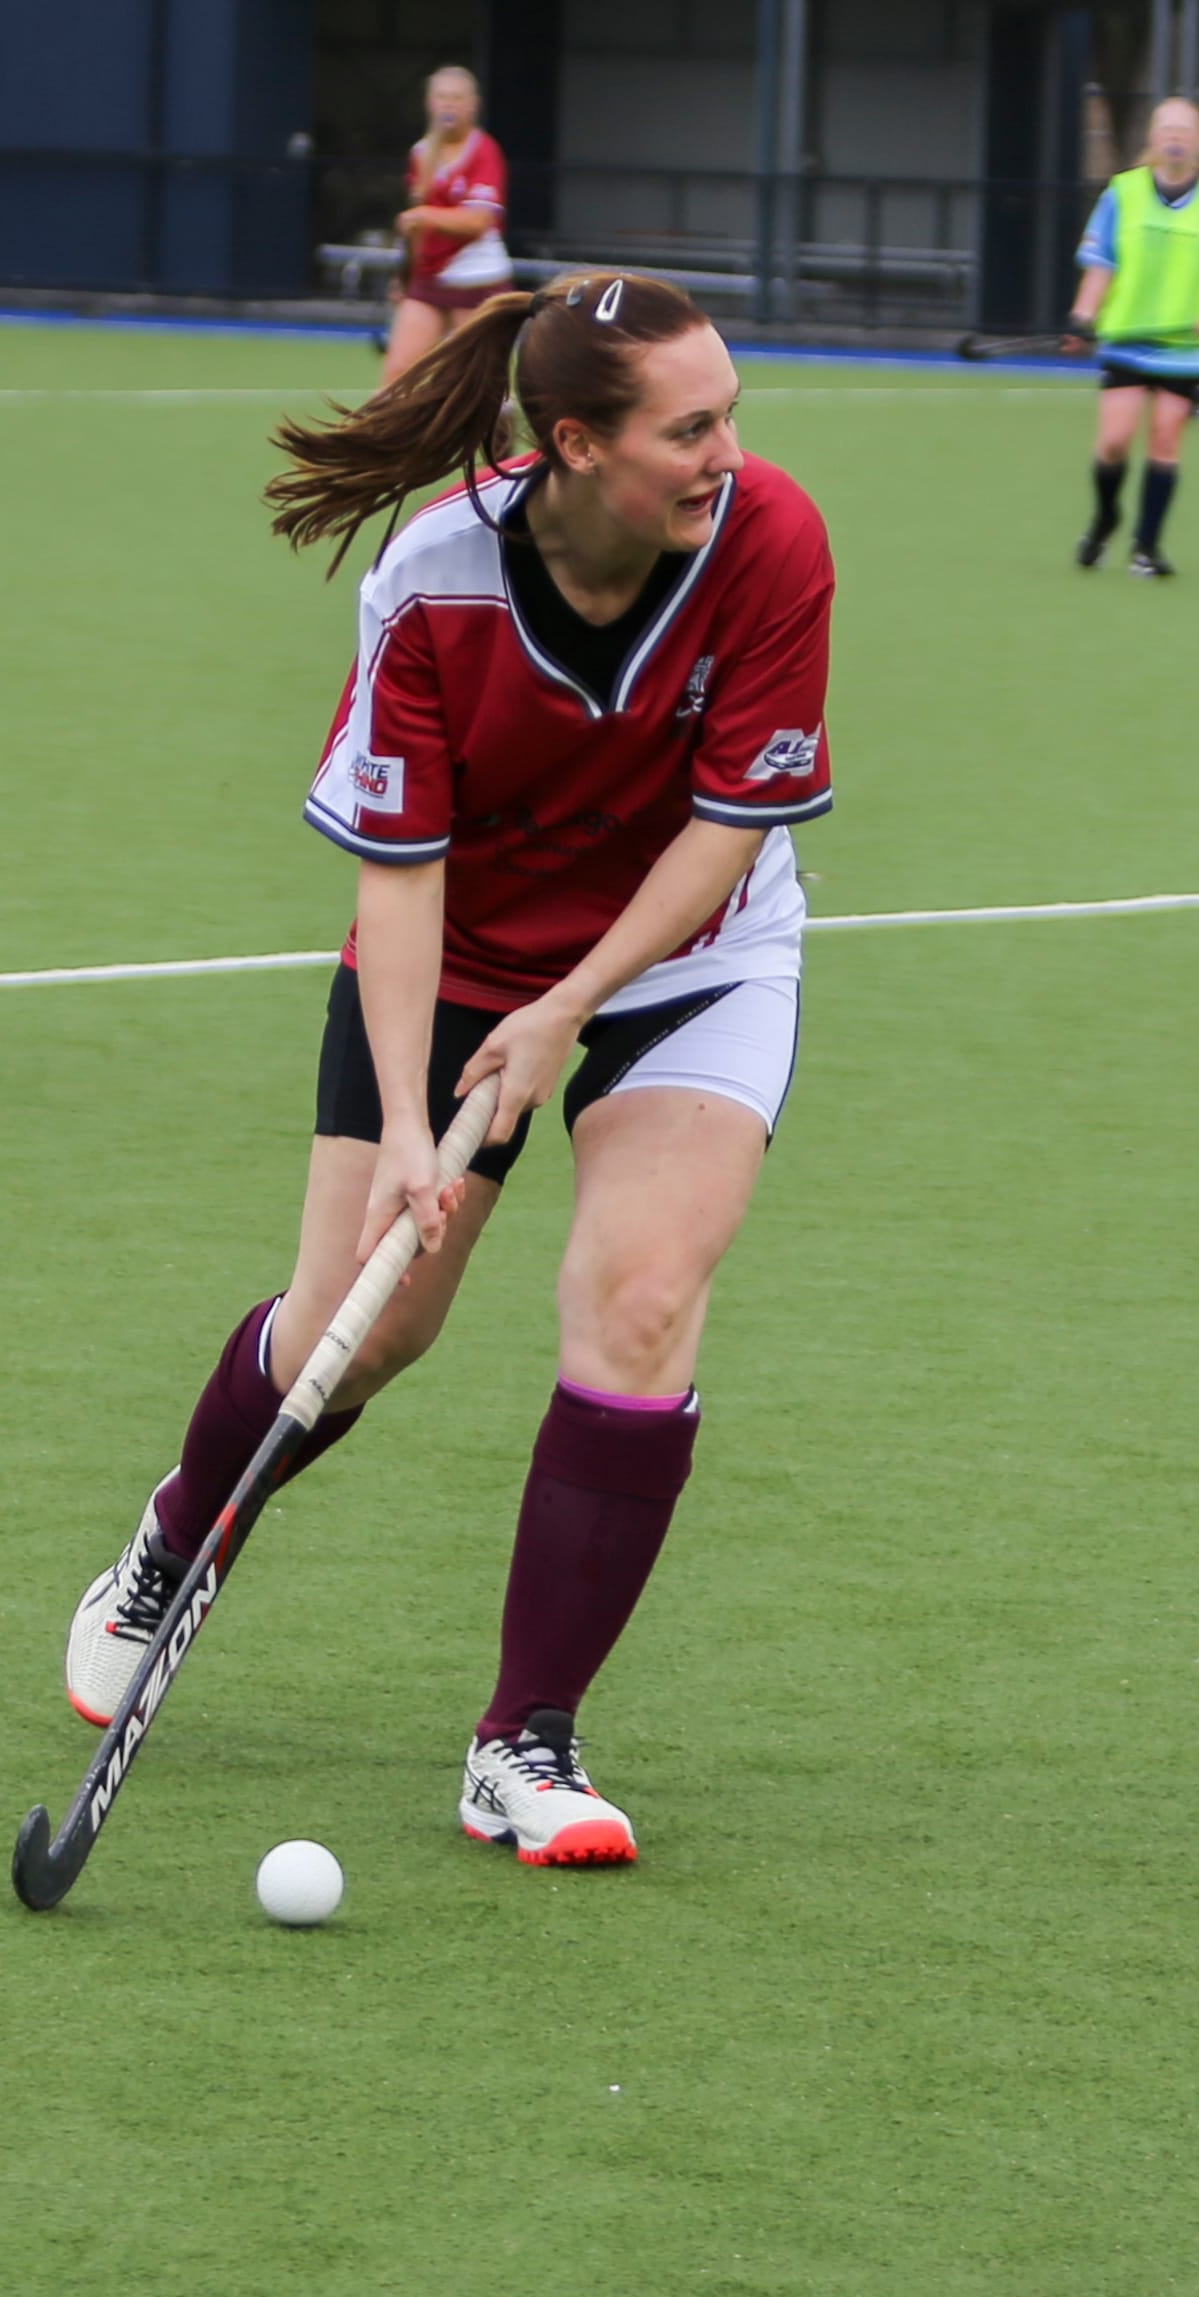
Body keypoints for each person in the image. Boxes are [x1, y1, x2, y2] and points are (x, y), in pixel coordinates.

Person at [63, 271, 834, 1868]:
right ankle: (176, 1535)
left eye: (729, 417)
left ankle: (523, 1740)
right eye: (688, 429)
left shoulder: (769, 539)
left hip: (687, 953)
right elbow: (399, 868)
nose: (725, 455)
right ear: (577, 444)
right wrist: (416, 1122)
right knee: (361, 1324)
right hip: (460, 946)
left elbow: (726, 826)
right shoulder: (433, 574)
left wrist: (571, 1005)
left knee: (640, 1296)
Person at [1067, 97, 1199, 578]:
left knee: (1165, 441)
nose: (1175, 137)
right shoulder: (1122, 192)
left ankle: (1146, 546)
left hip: (1186, 350)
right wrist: (1082, 316)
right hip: (1126, 340)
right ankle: (1105, 518)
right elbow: (1101, 265)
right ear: (1153, 136)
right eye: (1167, 128)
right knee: (1113, 442)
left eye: (1185, 129)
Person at [380, 64, 512, 392]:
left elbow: (478, 222)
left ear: (472, 105)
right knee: (398, 373)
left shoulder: (484, 150)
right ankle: (382, 427)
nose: (448, 105)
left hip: (477, 279)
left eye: (456, 98)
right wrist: (406, 276)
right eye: (442, 97)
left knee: (478, 383)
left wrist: (425, 215)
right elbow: (419, 231)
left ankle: (497, 425)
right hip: (429, 279)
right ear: (430, 103)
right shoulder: (420, 153)